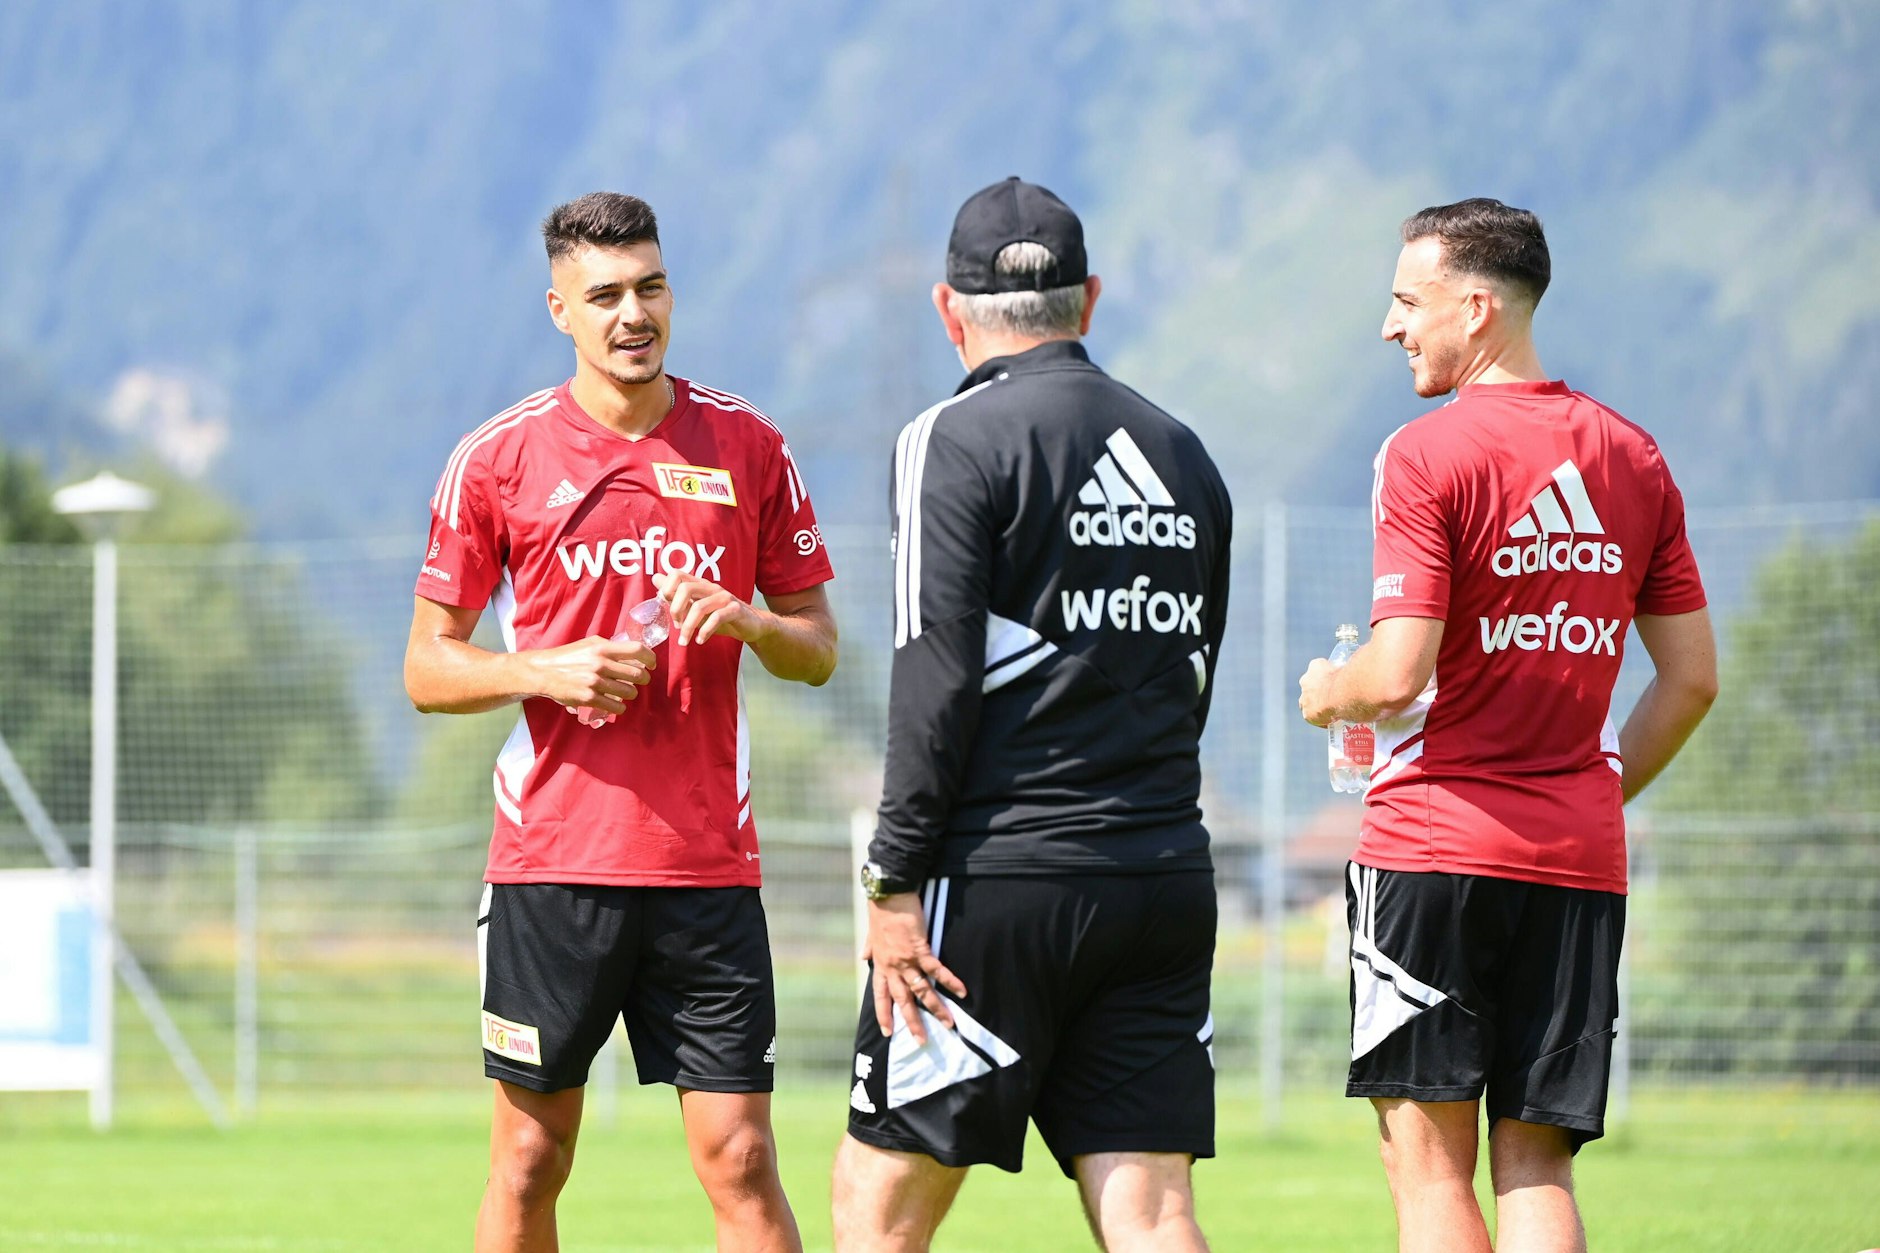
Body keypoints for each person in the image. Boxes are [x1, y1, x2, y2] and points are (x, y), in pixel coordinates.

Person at [403, 191, 836, 1253]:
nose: (630, 314)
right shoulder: (497, 459)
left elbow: (817, 648)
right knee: (528, 1158)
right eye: (603, 295)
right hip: (552, 866)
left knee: (740, 1156)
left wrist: (746, 619)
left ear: (670, 295)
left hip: (707, 867)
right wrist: (544, 670)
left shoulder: (747, 445)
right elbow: (426, 666)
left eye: (648, 288)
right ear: (560, 308)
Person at [1298, 198, 1718, 1253]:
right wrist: (1589, 790)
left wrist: (1326, 691)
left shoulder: (1425, 454)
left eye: (1406, 301)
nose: (1389, 327)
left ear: (1474, 307)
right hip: (1576, 861)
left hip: (1433, 847)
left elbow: (1396, 673)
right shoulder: (1633, 455)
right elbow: (1691, 680)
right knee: (1534, 1162)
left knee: (1426, 1164)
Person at [830, 177, 1233, 1253]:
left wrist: (891, 879)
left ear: (946, 308)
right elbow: (1197, 664)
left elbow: (936, 677)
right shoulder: (1183, 451)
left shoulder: (949, 439)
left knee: (878, 1207)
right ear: (1088, 299)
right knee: (1149, 1210)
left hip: (999, 878)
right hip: (1158, 875)